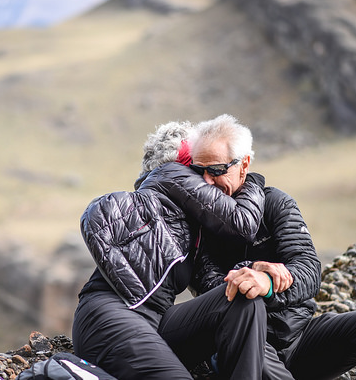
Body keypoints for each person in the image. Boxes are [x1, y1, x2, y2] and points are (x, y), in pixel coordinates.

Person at [189, 114, 356, 380]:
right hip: (242, 344)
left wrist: (269, 284)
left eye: (216, 170)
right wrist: (252, 272)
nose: (206, 181)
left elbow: (308, 269)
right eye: (197, 170)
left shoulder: (275, 204)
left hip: (299, 337)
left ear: (244, 164)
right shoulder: (197, 222)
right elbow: (210, 288)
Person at [72, 121, 268, 379]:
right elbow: (243, 223)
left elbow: (215, 286)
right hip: (110, 314)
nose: (207, 179)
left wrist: (259, 277)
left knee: (240, 297)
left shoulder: (190, 227)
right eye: (199, 169)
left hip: (155, 322)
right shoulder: (170, 174)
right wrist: (251, 177)